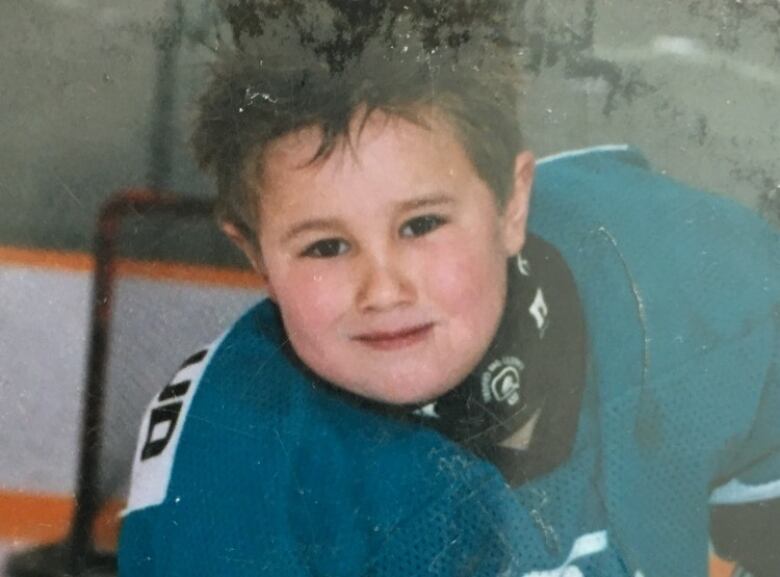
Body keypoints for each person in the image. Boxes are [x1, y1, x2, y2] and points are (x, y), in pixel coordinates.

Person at [119, 1, 779, 575]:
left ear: (512, 204)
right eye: (326, 245)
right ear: (254, 251)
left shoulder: (681, 268)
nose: (383, 288)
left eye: (421, 224)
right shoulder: (227, 465)